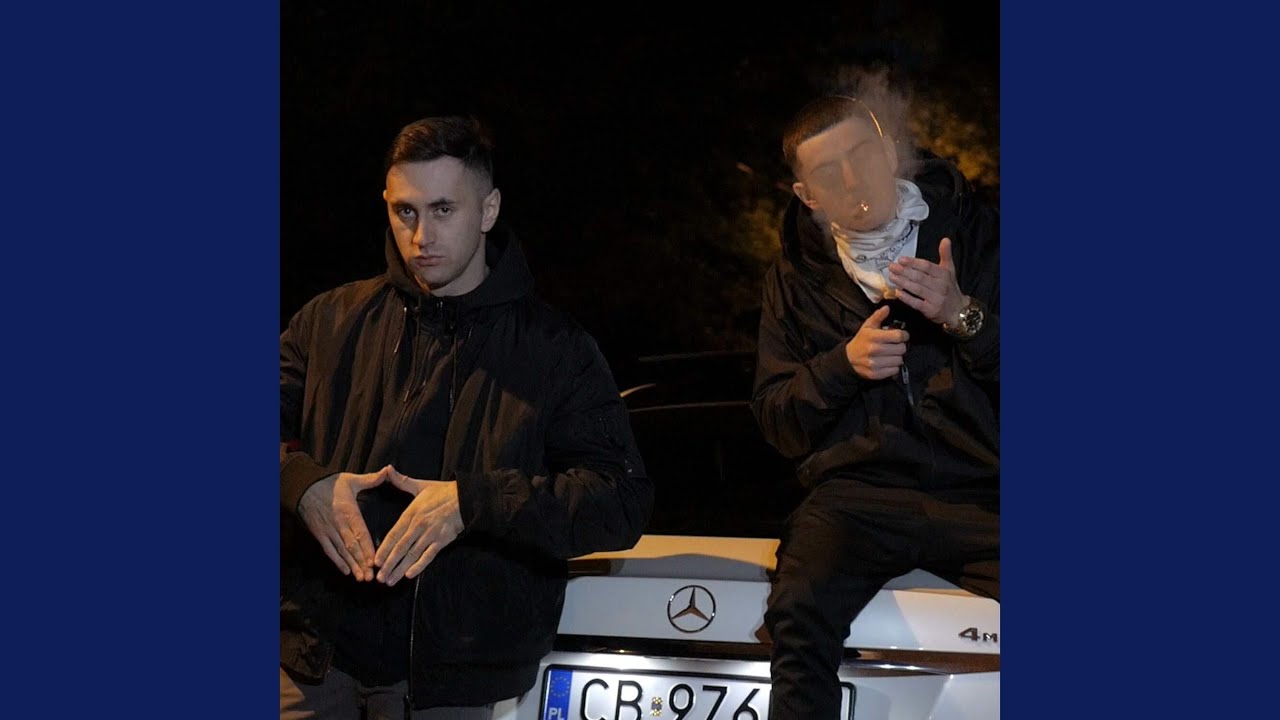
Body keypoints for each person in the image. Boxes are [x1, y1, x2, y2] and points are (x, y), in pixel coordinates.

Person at [279, 115, 654, 719]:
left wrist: (473, 503)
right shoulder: (329, 322)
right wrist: (300, 484)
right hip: (312, 661)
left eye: (444, 210)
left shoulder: (556, 351)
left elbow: (621, 501)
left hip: (454, 684)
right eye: (405, 211)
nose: (421, 235)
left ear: (488, 209)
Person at [750, 92, 999, 719]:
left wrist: (963, 316)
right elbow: (777, 420)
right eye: (827, 173)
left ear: (889, 153)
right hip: (860, 498)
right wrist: (842, 367)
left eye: (861, 155)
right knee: (797, 613)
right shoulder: (794, 278)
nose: (852, 180)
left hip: (986, 490)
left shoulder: (982, 236)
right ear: (807, 196)